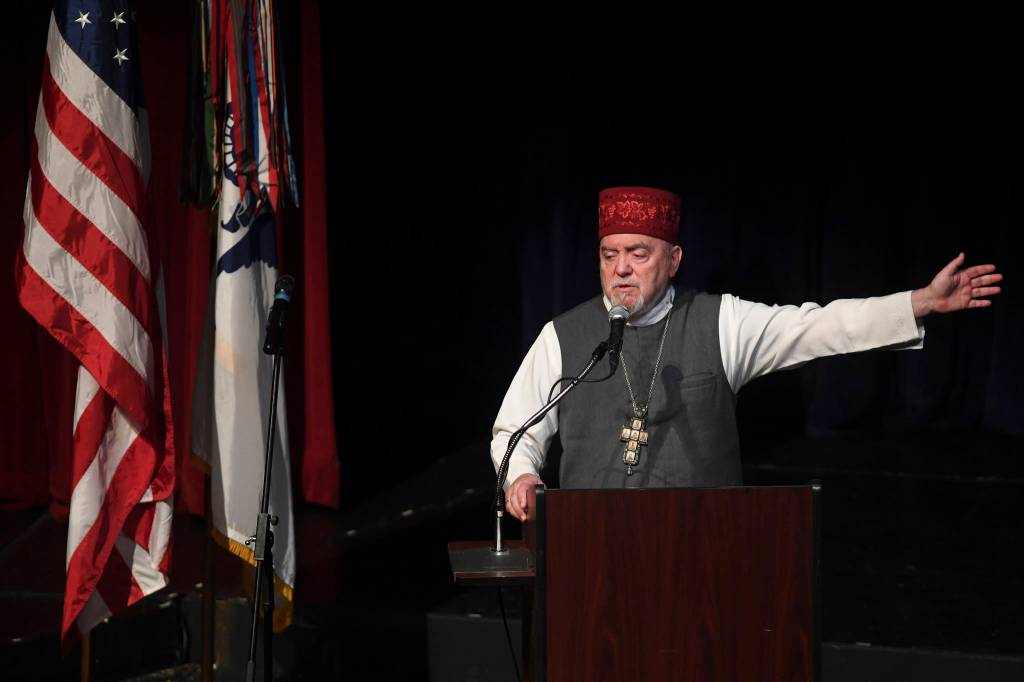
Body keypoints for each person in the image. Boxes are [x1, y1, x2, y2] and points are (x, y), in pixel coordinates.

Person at [491, 186, 1003, 521]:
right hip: (590, 550)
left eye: (638, 254)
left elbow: (819, 326)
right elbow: (515, 431)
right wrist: (523, 476)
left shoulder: (722, 321)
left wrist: (920, 302)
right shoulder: (565, 335)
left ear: (673, 260)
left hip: (705, 549)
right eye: (610, 255)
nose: (621, 269)